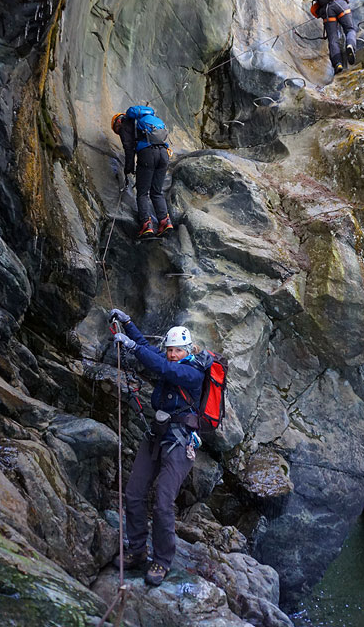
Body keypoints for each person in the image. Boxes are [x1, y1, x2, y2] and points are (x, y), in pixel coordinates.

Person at [110, 308, 210, 586]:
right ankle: (137, 549)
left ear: (187, 350)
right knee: (134, 492)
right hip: (157, 435)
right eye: (170, 350)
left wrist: (132, 348)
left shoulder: (193, 373)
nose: (172, 354)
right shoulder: (169, 359)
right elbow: (148, 350)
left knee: (163, 501)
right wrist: (129, 324)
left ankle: (162, 560)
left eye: (177, 350)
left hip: (180, 442)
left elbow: (163, 368)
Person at [111, 106, 173, 239]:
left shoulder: (125, 125)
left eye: (116, 129)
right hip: (164, 154)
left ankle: (146, 225)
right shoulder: (148, 122)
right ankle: (165, 222)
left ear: (118, 121)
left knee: (143, 192)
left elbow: (129, 148)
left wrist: (128, 168)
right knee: (157, 192)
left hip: (148, 154)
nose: (118, 132)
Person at [310, 0, 364, 75]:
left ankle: (338, 64)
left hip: (328, 11)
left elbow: (313, 11)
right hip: (341, 6)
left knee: (333, 39)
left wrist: (321, 12)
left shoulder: (319, 2)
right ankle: (350, 45)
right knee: (349, 29)